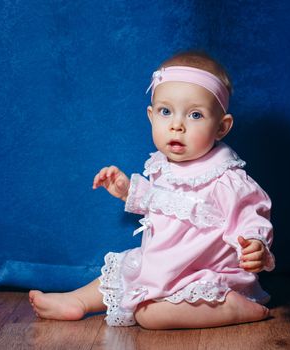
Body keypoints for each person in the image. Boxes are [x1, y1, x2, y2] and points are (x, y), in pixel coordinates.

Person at [29, 51, 275, 330]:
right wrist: (126, 191)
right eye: (165, 111)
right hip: (164, 266)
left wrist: (256, 244)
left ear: (221, 127)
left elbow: (252, 216)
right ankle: (78, 301)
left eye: (195, 114)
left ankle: (233, 307)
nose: (176, 125)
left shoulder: (226, 179)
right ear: (151, 116)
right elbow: (164, 203)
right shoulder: (162, 165)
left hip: (207, 275)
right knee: (126, 270)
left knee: (149, 315)